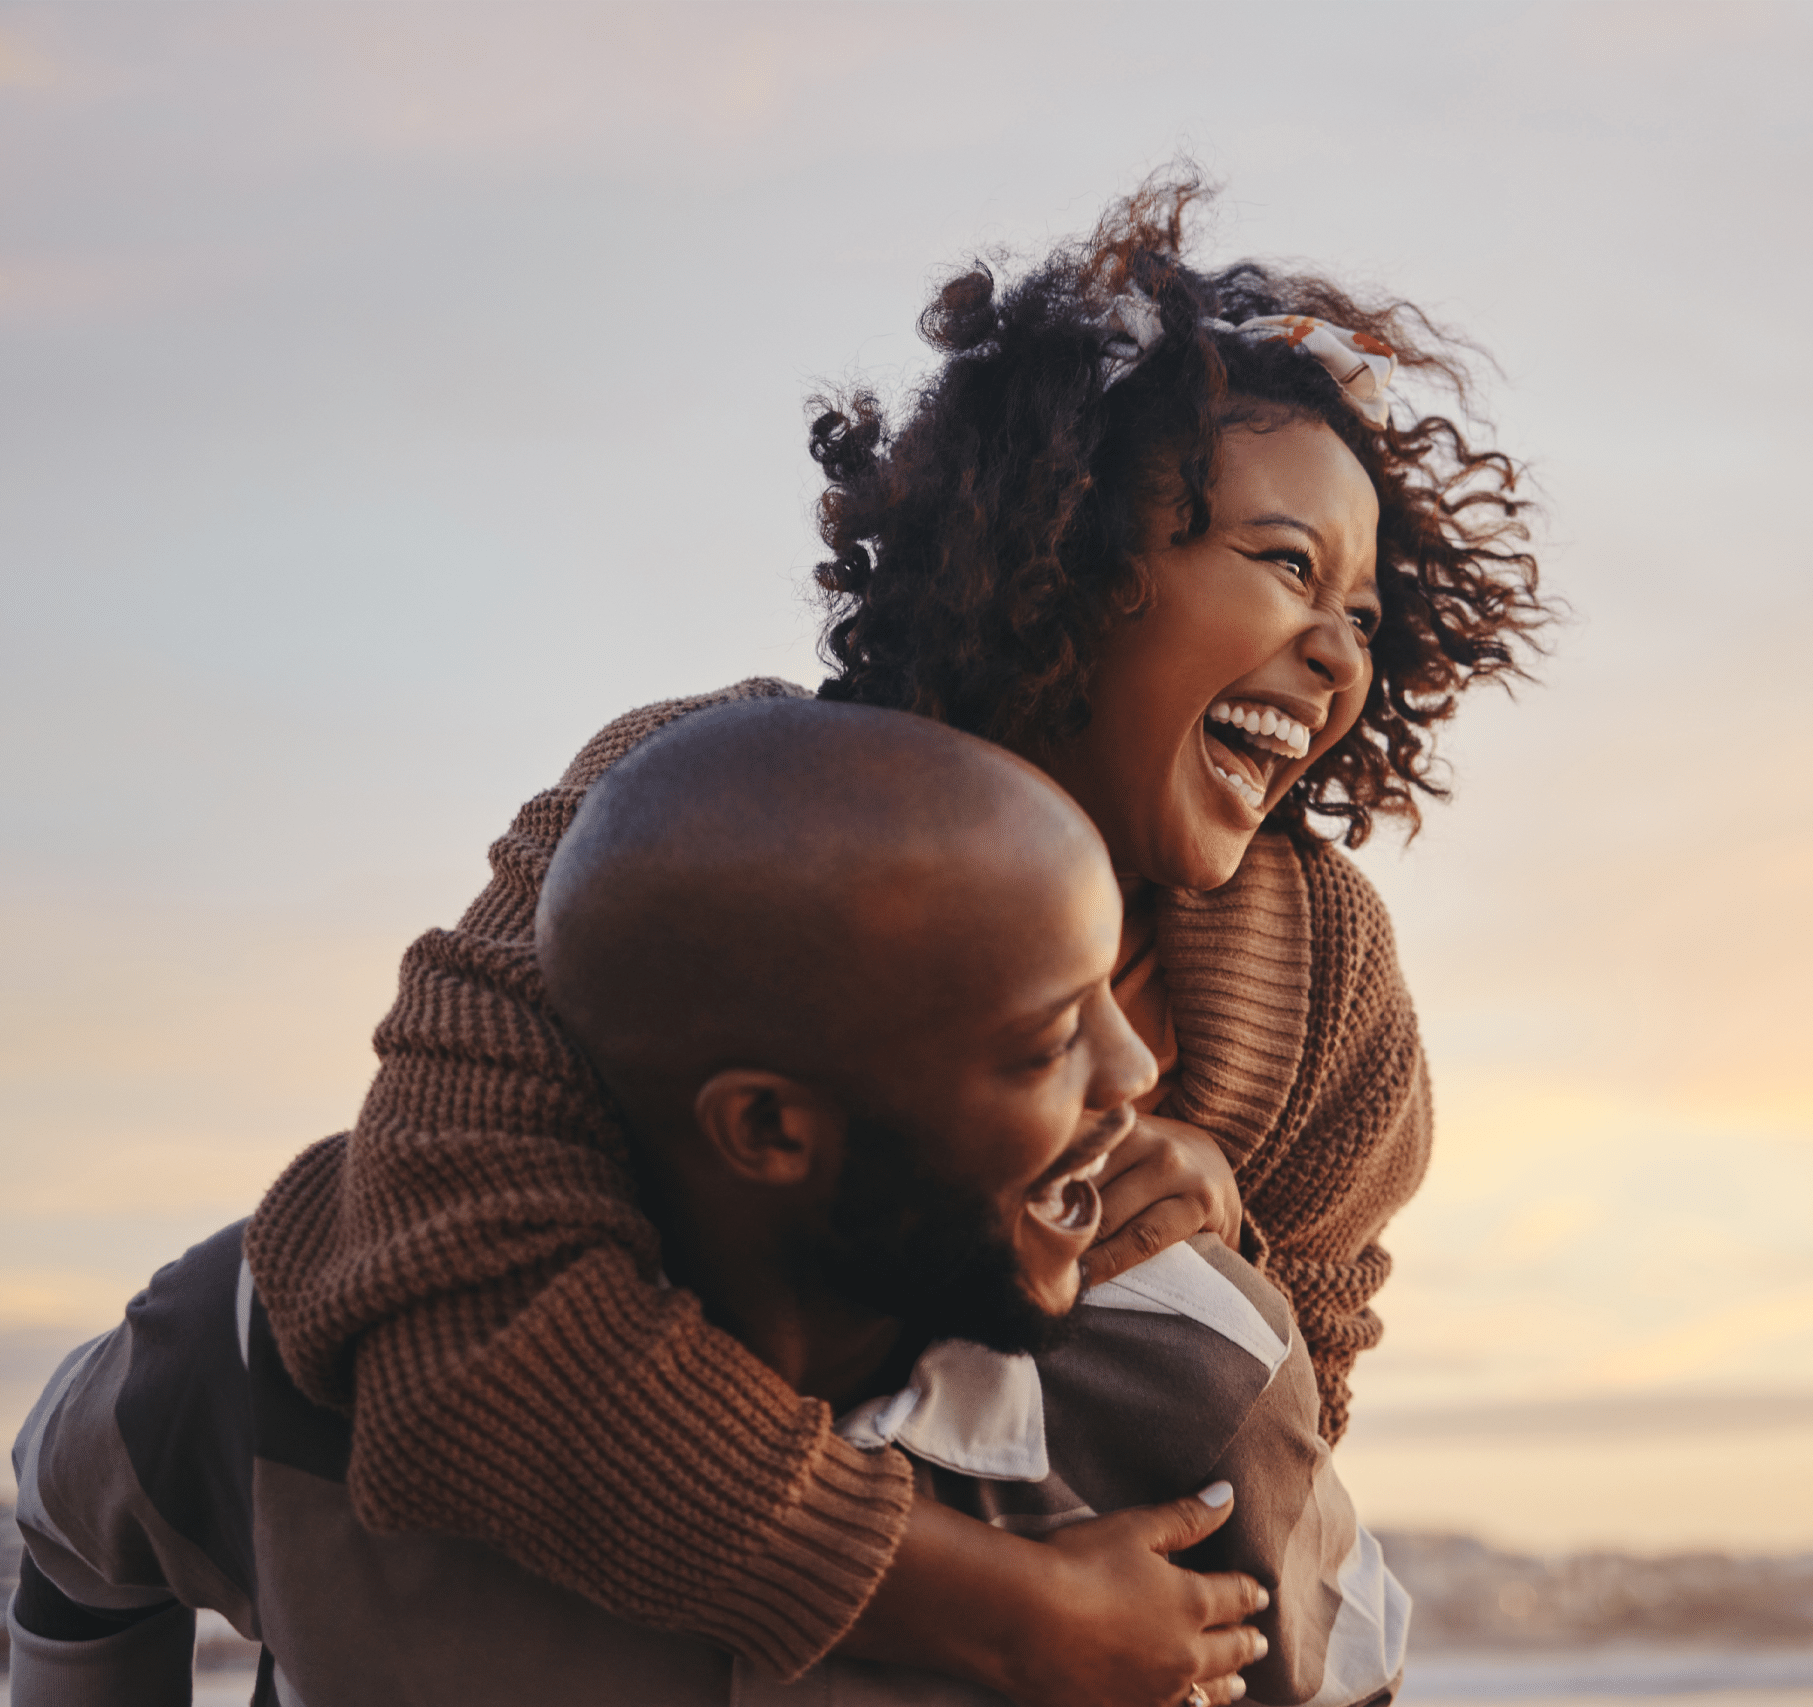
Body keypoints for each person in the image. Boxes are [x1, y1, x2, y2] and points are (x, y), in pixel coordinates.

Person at [241, 171, 1545, 1706]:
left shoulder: (1323, 977)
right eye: (1282, 564)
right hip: (537, 1621)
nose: (1337, 654)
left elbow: (1280, 1442)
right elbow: (460, 1313)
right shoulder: (698, 814)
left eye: (1369, 615)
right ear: (1072, 552)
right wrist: (995, 1609)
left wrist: (1228, 1249)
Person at [9, 701, 1405, 1707]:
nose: (1142, 1073)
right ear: (769, 1125)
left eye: (1119, 986)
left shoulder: (1196, 1374)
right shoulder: (283, 1341)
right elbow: (72, 1531)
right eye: (1046, 1043)